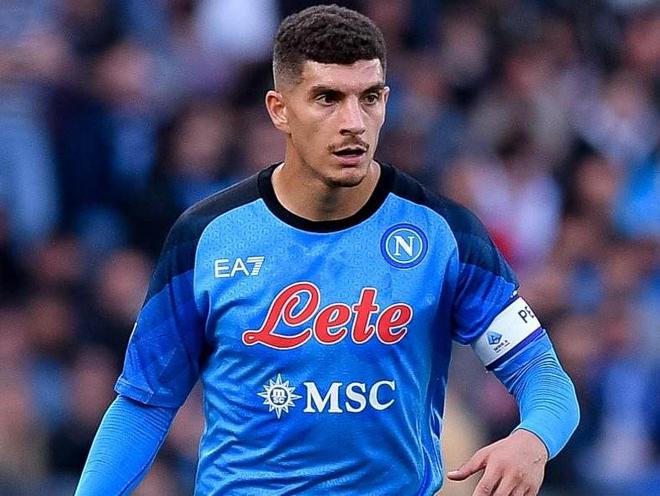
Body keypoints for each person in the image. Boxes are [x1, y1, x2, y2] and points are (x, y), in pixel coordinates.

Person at [75, 5, 580, 495]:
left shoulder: (445, 234)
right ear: (279, 109)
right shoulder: (205, 237)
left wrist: (532, 439)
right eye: (328, 98)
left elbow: (542, 374)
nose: (354, 121)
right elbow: (145, 404)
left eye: (370, 97)